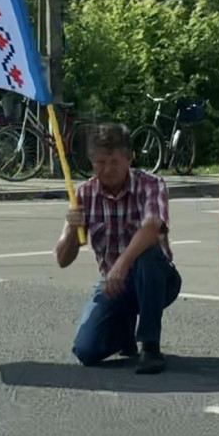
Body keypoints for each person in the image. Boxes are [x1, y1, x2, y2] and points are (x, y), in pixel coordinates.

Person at [57, 122, 181, 375]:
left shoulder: (151, 184)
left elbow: (151, 228)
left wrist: (121, 266)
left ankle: (150, 345)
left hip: (157, 279)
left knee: (147, 256)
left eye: (114, 162)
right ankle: (122, 328)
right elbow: (62, 259)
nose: (107, 170)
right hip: (113, 284)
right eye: (100, 162)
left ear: (128, 158)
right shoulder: (84, 194)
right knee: (86, 351)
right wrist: (72, 229)